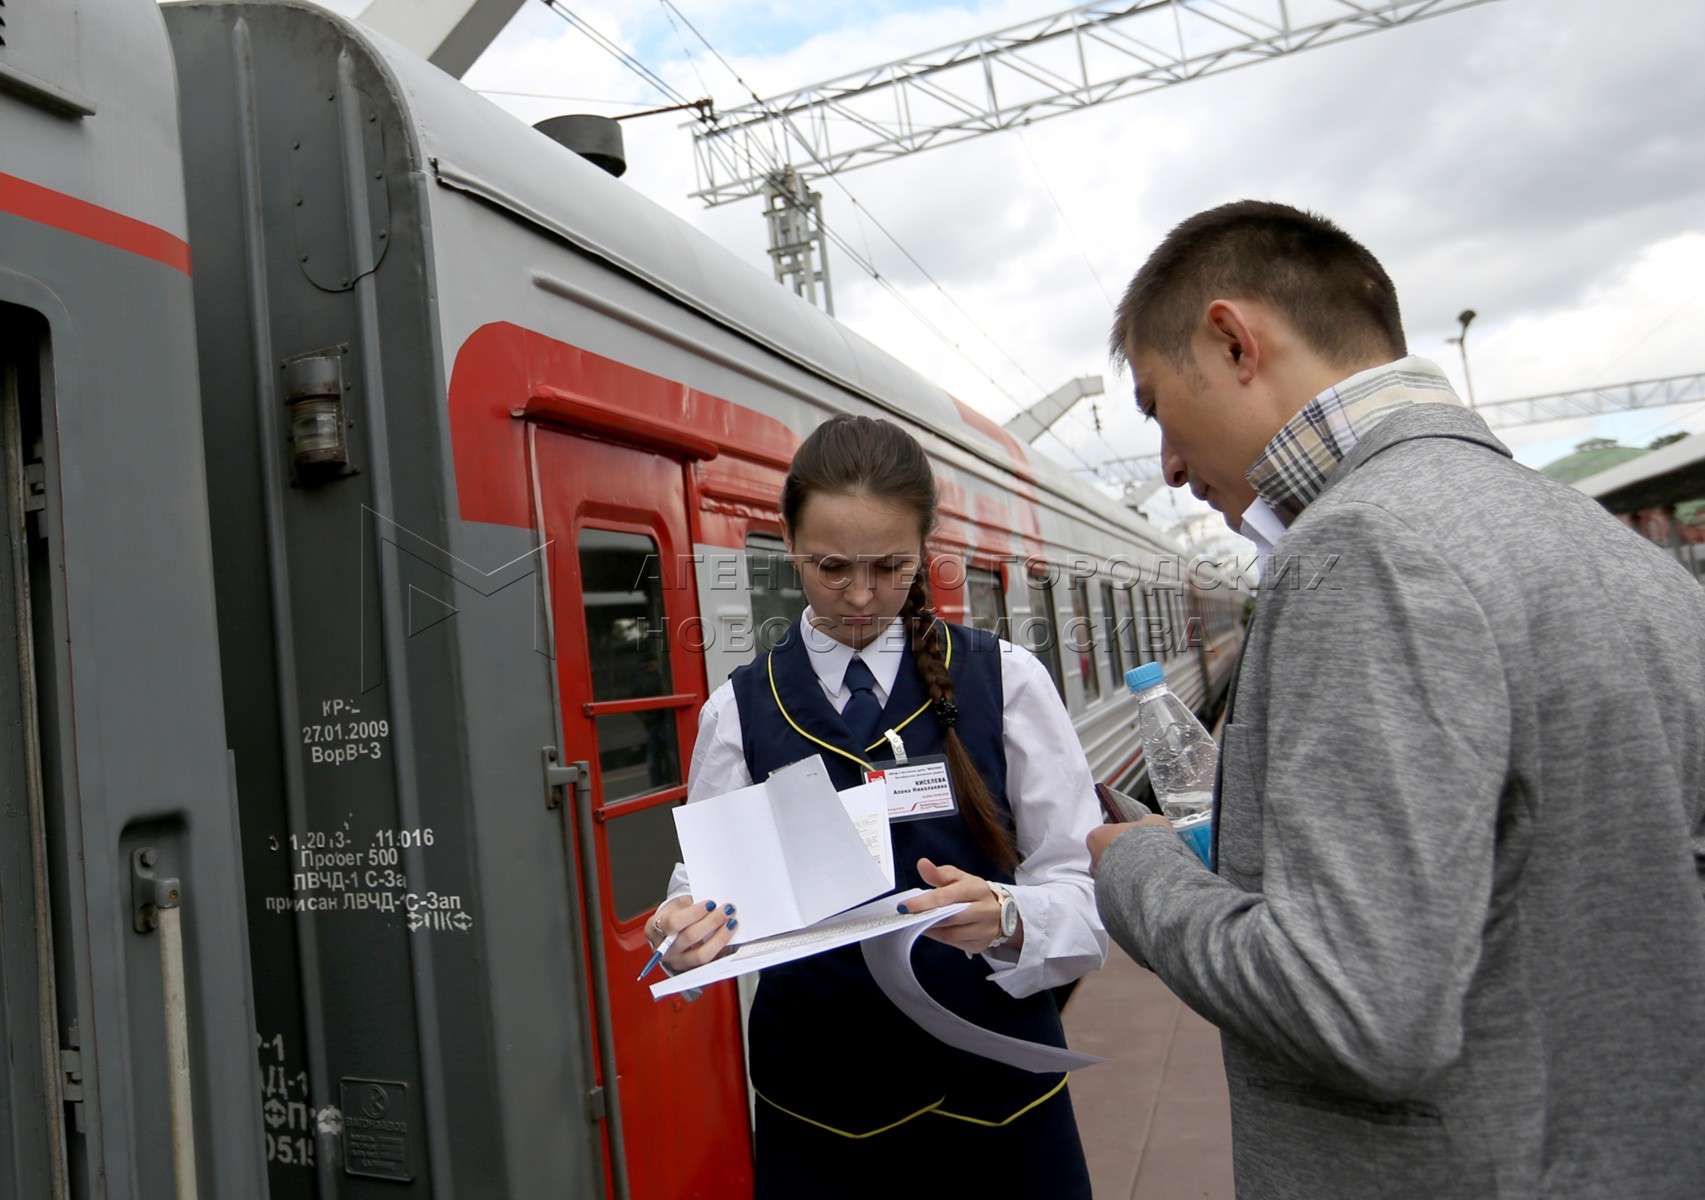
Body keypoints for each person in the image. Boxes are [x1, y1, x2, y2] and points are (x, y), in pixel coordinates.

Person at [1088, 199, 1705, 1198]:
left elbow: (1353, 1009)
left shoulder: (1362, 548)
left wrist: (1138, 872)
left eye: (1158, 407)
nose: (1164, 467)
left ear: (1233, 339)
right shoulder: (1611, 551)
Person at [650, 414, 1106, 1198]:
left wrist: (1006, 914)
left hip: (998, 1104)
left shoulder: (1008, 680)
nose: (861, 596)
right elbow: (709, 895)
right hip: (823, 1116)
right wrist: (681, 934)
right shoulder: (738, 709)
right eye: (830, 567)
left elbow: (1085, 887)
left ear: (923, 550)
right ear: (787, 545)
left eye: (891, 567)